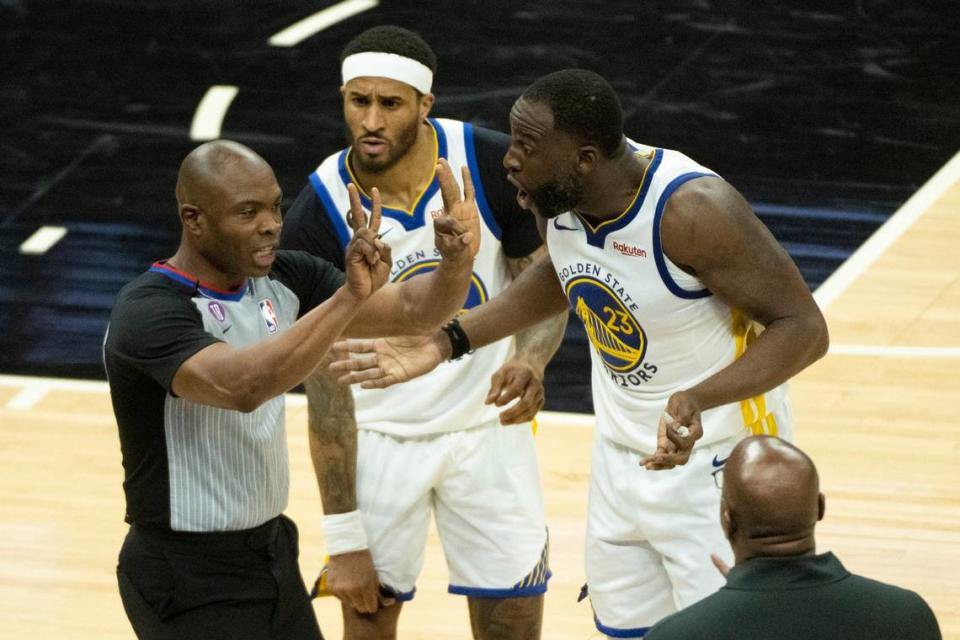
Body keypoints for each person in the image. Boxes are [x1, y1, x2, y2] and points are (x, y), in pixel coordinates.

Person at [330, 69, 831, 637]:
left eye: (527, 146)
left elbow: (805, 328)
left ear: (585, 159)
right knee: (626, 630)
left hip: (715, 464)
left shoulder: (692, 211)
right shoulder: (556, 198)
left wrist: (698, 397)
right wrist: (450, 340)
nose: (509, 160)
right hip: (620, 456)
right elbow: (563, 271)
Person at [103, 139, 479, 640]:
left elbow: (416, 314)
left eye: (275, 206)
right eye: (247, 212)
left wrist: (455, 260)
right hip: (187, 570)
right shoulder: (148, 310)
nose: (272, 224)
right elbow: (243, 386)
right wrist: (347, 299)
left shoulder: (287, 277)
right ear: (194, 219)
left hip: (271, 550)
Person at [279, 26, 568, 640]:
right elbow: (324, 393)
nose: (372, 120)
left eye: (390, 103)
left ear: (424, 105)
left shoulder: (489, 165)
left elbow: (543, 284)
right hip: (379, 440)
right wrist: (343, 537)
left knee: (514, 622)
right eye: (359, 102)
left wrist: (532, 360)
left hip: (486, 434)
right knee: (367, 620)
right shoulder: (321, 207)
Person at [645, 435, 942, 639]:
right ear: (820, 508)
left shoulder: (676, 635)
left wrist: (728, 607)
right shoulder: (907, 616)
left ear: (727, 522)